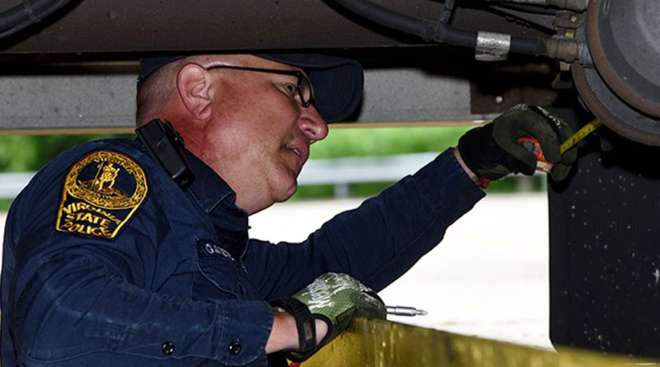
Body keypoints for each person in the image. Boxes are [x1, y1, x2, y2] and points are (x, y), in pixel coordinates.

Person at [0, 53, 576, 367]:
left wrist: (471, 165)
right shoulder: (116, 175)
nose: (318, 126)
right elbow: (62, 321)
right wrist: (278, 328)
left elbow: (330, 263)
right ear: (199, 91)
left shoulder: (202, 239)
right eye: (293, 92)